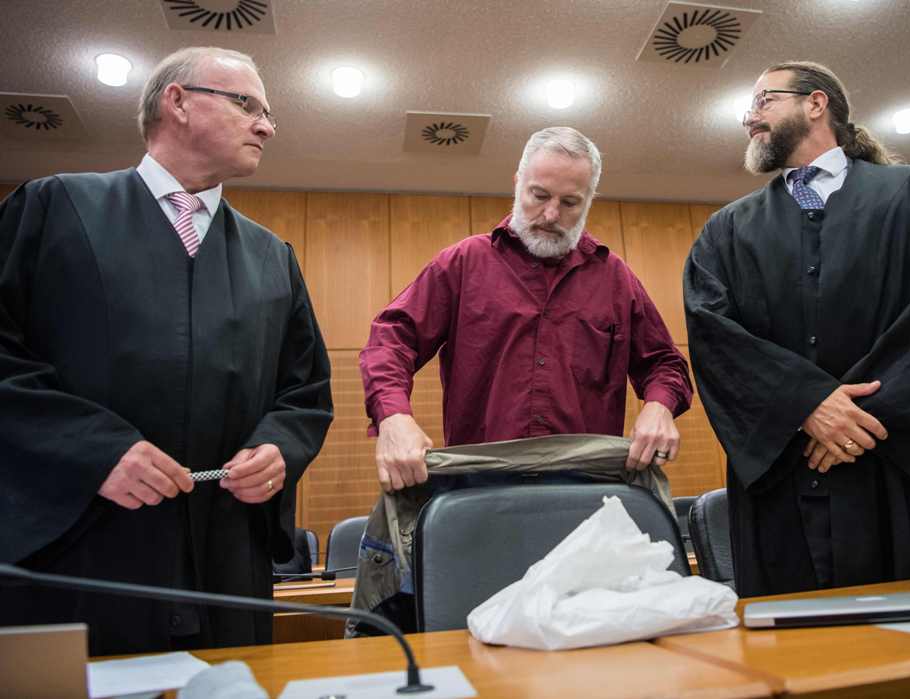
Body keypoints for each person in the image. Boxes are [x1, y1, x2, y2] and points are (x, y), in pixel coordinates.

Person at [0, 46, 333, 654]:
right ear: (177, 101)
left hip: (226, 553)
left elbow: (304, 390)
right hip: (85, 548)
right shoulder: (55, 208)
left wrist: (277, 450)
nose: (266, 126)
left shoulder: (271, 257)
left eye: (268, 114)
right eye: (247, 105)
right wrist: (91, 450)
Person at [684, 61, 910, 597]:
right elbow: (716, 342)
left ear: (816, 103)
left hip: (906, 473)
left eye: (763, 100)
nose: (750, 118)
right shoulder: (725, 233)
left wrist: (859, 421)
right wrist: (805, 405)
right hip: (787, 482)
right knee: (800, 640)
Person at [361, 126, 692, 491]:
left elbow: (664, 363)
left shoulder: (614, 278)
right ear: (518, 183)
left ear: (589, 200)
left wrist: (659, 407)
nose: (551, 214)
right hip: (480, 489)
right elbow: (391, 341)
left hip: (588, 489)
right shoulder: (463, 263)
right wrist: (393, 416)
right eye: (539, 195)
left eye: (570, 203)